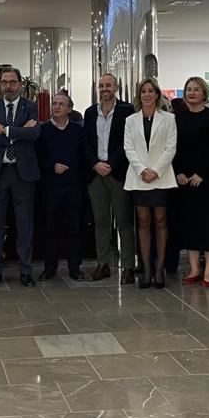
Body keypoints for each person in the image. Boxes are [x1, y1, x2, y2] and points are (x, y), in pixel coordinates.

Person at [0, 68, 41, 288]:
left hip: (22, 173)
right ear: (0, 85)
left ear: (20, 85)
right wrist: (18, 133)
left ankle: (26, 270)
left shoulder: (30, 107)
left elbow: (34, 134)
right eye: (5, 82)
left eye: (13, 82)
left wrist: (5, 131)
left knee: (25, 224)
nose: (8, 86)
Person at [124, 77, 178, 289]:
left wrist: (155, 170)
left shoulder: (169, 119)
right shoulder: (130, 120)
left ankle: (159, 270)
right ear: (139, 96)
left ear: (157, 94)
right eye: (143, 91)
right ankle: (146, 269)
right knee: (143, 221)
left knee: (161, 220)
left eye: (150, 91)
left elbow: (170, 148)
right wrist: (143, 170)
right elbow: (129, 149)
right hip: (138, 177)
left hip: (161, 176)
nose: (146, 94)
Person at [84, 73, 136, 284]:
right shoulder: (89, 112)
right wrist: (95, 164)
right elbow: (85, 142)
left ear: (116, 88)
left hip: (118, 173)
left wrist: (111, 164)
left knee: (124, 222)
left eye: (109, 85)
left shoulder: (127, 110)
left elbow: (128, 142)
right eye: (101, 85)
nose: (104, 89)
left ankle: (128, 267)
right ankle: (102, 264)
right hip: (96, 174)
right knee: (101, 222)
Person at [173, 76, 209, 288]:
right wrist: (179, 172)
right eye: (188, 89)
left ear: (204, 93)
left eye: (196, 89)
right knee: (190, 224)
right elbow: (173, 148)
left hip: (208, 179)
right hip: (185, 180)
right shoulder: (178, 117)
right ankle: (194, 268)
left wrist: (202, 173)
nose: (192, 93)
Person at [36, 92, 88, 281]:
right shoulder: (43, 130)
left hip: (73, 186)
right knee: (50, 228)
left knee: (74, 228)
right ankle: (50, 268)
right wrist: (52, 167)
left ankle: (75, 268)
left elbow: (83, 156)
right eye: (54, 103)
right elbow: (37, 157)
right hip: (51, 187)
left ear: (69, 108)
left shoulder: (77, 130)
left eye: (61, 104)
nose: (56, 107)